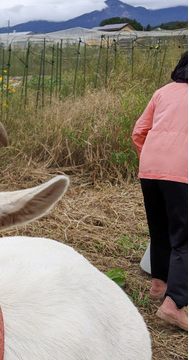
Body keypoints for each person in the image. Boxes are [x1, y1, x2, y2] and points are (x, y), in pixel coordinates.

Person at [132, 51, 188, 331]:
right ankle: (175, 305)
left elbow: (138, 132)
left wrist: (153, 159)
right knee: (184, 239)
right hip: (181, 173)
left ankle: (159, 284)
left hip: (150, 169)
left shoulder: (162, 92)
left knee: (160, 230)